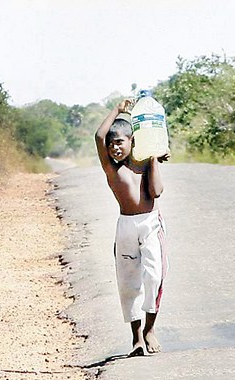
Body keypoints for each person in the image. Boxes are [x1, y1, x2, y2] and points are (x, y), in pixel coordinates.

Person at [94, 99, 171, 356]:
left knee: (154, 276)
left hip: (150, 223)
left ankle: (150, 329)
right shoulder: (111, 170)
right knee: (129, 282)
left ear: (132, 142)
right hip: (125, 225)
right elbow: (98, 135)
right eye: (111, 144)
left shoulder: (145, 164)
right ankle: (136, 337)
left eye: (120, 142)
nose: (115, 147)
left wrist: (154, 161)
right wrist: (117, 109)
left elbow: (156, 192)